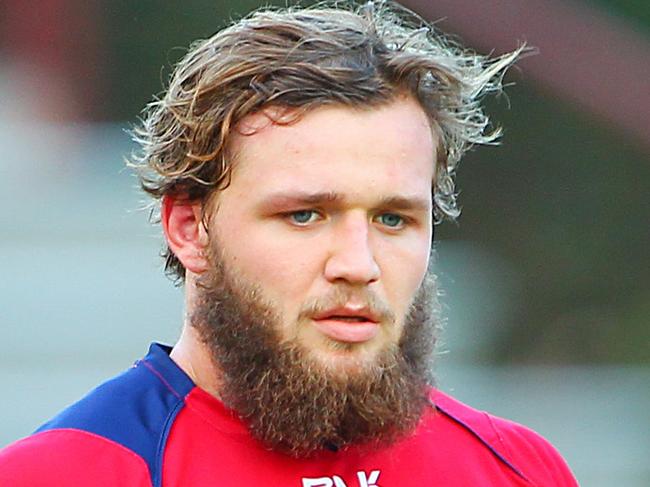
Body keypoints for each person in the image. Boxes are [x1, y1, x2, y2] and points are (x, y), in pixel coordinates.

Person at [0, 1, 578, 485]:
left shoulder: (517, 470)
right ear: (187, 228)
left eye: (393, 219)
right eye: (304, 215)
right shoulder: (64, 473)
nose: (359, 265)